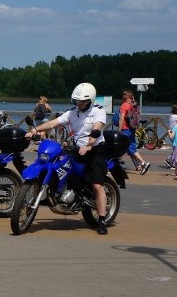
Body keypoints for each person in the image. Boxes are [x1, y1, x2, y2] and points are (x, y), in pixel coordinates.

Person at [25, 82, 110, 235]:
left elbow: (97, 128)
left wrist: (90, 144)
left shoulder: (98, 110)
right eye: (77, 100)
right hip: (78, 149)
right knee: (60, 164)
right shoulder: (72, 112)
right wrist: (35, 129)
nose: (79, 103)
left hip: (95, 150)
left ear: (90, 100)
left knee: (97, 185)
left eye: (82, 101)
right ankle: (62, 193)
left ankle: (102, 220)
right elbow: (53, 123)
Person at [119, 88, 150, 175]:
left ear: (126, 96)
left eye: (124, 94)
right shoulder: (134, 105)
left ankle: (113, 165)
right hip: (132, 129)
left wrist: (119, 130)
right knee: (131, 147)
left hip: (125, 129)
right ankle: (142, 164)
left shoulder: (124, 105)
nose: (122, 96)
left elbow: (121, 119)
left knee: (120, 146)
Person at [165, 104, 177, 169]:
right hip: (176, 135)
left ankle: (172, 162)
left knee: (176, 148)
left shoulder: (172, 116)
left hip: (173, 133)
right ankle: (170, 160)